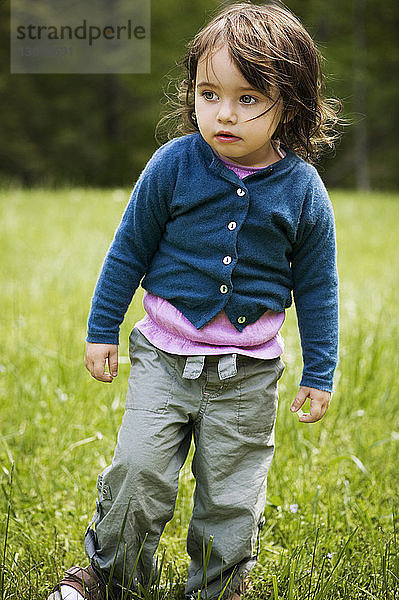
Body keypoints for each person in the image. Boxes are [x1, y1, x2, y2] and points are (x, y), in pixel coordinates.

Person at [49, 2, 341, 599]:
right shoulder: (174, 165)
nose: (224, 113)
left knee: (232, 496)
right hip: (164, 358)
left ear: (291, 104)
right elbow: (127, 250)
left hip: (248, 375)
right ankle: (109, 576)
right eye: (210, 94)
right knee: (137, 471)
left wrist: (321, 370)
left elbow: (316, 285)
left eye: (248, 98)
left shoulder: (304, 189)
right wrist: (101, 329)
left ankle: (217, 587)